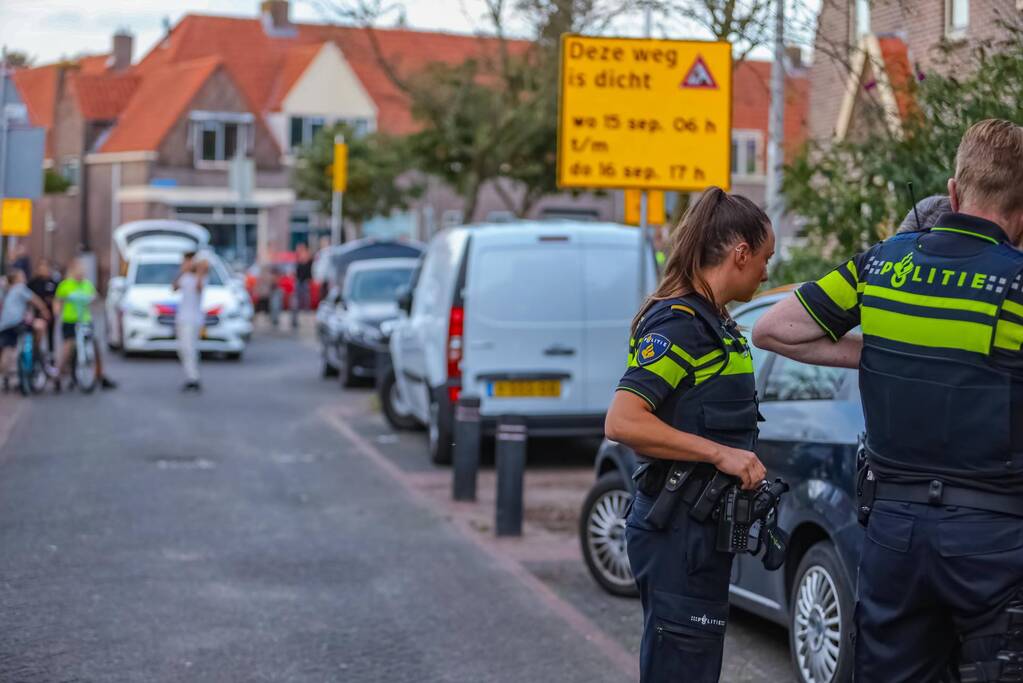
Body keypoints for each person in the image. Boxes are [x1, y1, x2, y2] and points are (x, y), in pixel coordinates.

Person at [753, 119, 1023, 681]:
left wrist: (883, 350)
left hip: (893, 532)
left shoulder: (882, 264)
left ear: (953, 192)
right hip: (993, 538)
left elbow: (775, 329)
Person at [604, 188, 773, 682]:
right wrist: (721, 454)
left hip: (700, 533)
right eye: (765, 258)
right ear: (740, 253)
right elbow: (623, 421)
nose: (767, 271)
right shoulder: (680, 325)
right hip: (677, 532)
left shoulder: (716, 322)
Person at [55, 258, 116, 390]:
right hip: (70, 320)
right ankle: (58, 375)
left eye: (83, 272)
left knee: (94, 345)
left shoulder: (87, 285)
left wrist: (93, 299)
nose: (81, 274)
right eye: (79, 272)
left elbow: (95, 297)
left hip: (85, 320)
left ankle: (100, 374)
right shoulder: (66, 285)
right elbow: (58, 301)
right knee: (68, 347)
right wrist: (57, 313)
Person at [0, 269, 51, 392]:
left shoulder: (6, 291)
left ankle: (4, 374)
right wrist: (45, 311)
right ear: (17, 279)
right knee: (40, 325)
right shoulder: (20, 288)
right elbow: (35, 300)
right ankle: (36, 348)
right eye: (22, 276)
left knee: (7, 350)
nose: (24, 278)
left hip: (5, 325)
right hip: (18, 321)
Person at [173, 252, 206, 392]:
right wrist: (182, 271)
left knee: (190, 348)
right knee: (183, 349)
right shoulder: (185, 277)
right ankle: (191, 375)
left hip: (193, 319)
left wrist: (198, 270)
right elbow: (174, 287)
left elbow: (199, 288)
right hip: (182, 317)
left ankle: (194, 378)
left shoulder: (201, 277)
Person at [28, 259, 59, 359]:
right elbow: (29, 297)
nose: (44, 269)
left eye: (46, 267)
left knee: (50, 334)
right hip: (38, 312)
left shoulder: (53, 282)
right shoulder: (33, 282)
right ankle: (35, 353)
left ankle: (51, 355)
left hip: (50, 312)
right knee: (37, 334)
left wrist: (55, 311)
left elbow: (56, 298)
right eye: (41, 267)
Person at [292, 242, 312, 330]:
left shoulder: (307, 257)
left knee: (305, 298)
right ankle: (296, 318)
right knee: (296, 299)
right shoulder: (297, 258)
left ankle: (306, 312)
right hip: (299, 281)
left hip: (304, 281)